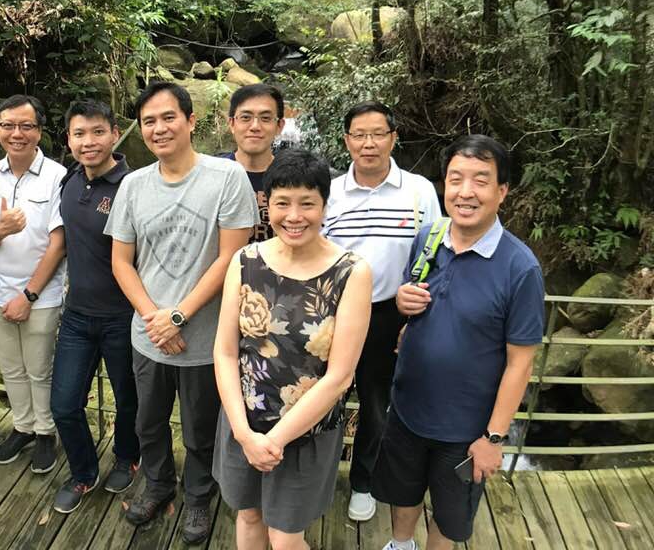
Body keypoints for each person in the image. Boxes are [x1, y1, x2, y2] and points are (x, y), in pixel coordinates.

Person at [373, 135, 544, 550]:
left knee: (450, 517)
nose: (465, 192)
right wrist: (401, 301)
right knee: (403, 493)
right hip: (408, 409)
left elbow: (520, 363)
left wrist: (495, 438)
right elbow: (415, 306)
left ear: (502, 191)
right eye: (455, 179)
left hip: (466, 429)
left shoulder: (520, 268)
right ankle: (400, 544)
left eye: (480, 180)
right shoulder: (429, 238)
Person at [105, 81, 257, 544]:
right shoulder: (133, 185)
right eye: (148, 121)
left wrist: (179, 317)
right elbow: (120, 261)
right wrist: (155, 317)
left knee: (200, 429)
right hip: (147, 335)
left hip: (206, 338)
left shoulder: (227, 179)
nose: (158, 128)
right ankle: (156, 485)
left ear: (191, 121)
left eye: (168, 117)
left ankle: (197, 497)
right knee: (147, 423)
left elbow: (231, 256)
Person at [213, 148, 372, 550]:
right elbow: (227, 352)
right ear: (267, 204)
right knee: (248, 516)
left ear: (324, 205)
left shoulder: (350, 271)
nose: (294, 216)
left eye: (307, 203)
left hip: (305, 432)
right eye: (283, 203)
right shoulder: (245, 260)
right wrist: (244, 433)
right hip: (243, 419)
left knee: (285, 539)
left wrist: (275, 440)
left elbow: (340, 376)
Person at [321, 101, 441, 522]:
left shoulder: (420, 191)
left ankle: (363, 482)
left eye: (378, 134)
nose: (368, 143)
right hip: (332, 314)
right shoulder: (330, 192)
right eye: (359, 134)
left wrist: (417, 320)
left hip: (391, 315)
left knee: (375, 404)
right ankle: (315, 479)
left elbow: (435, 257)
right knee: (323, 398)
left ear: (393, 137)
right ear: (346, 140)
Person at [50, 100, 140, 514]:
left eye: (98, 132)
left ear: (114, 132)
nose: (89, 142)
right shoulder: (69, 180)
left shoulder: (133, 186)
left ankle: (127, 457)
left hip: (123, 316)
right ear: (68, 139)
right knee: (64, 404)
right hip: (77, 316)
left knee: (128, 399)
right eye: (79, 134)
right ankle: (84, 472)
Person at [0, 94, 66, 473]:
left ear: (39, 131)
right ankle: (22, 426)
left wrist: (29, 294)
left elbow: (58, 244)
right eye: (8, 125)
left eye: (26, 126)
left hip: (41, 294)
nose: (17, 133)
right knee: (11, 368)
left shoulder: (59, 175)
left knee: (40, 368)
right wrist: (1, 230)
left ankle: (46, 431)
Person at [223, 84, 286, 243]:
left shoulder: (294, 175)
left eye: (265, 118)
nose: (255, 127)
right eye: (245, 117)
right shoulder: (214, 174)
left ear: (279, 126)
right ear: (231, 123)